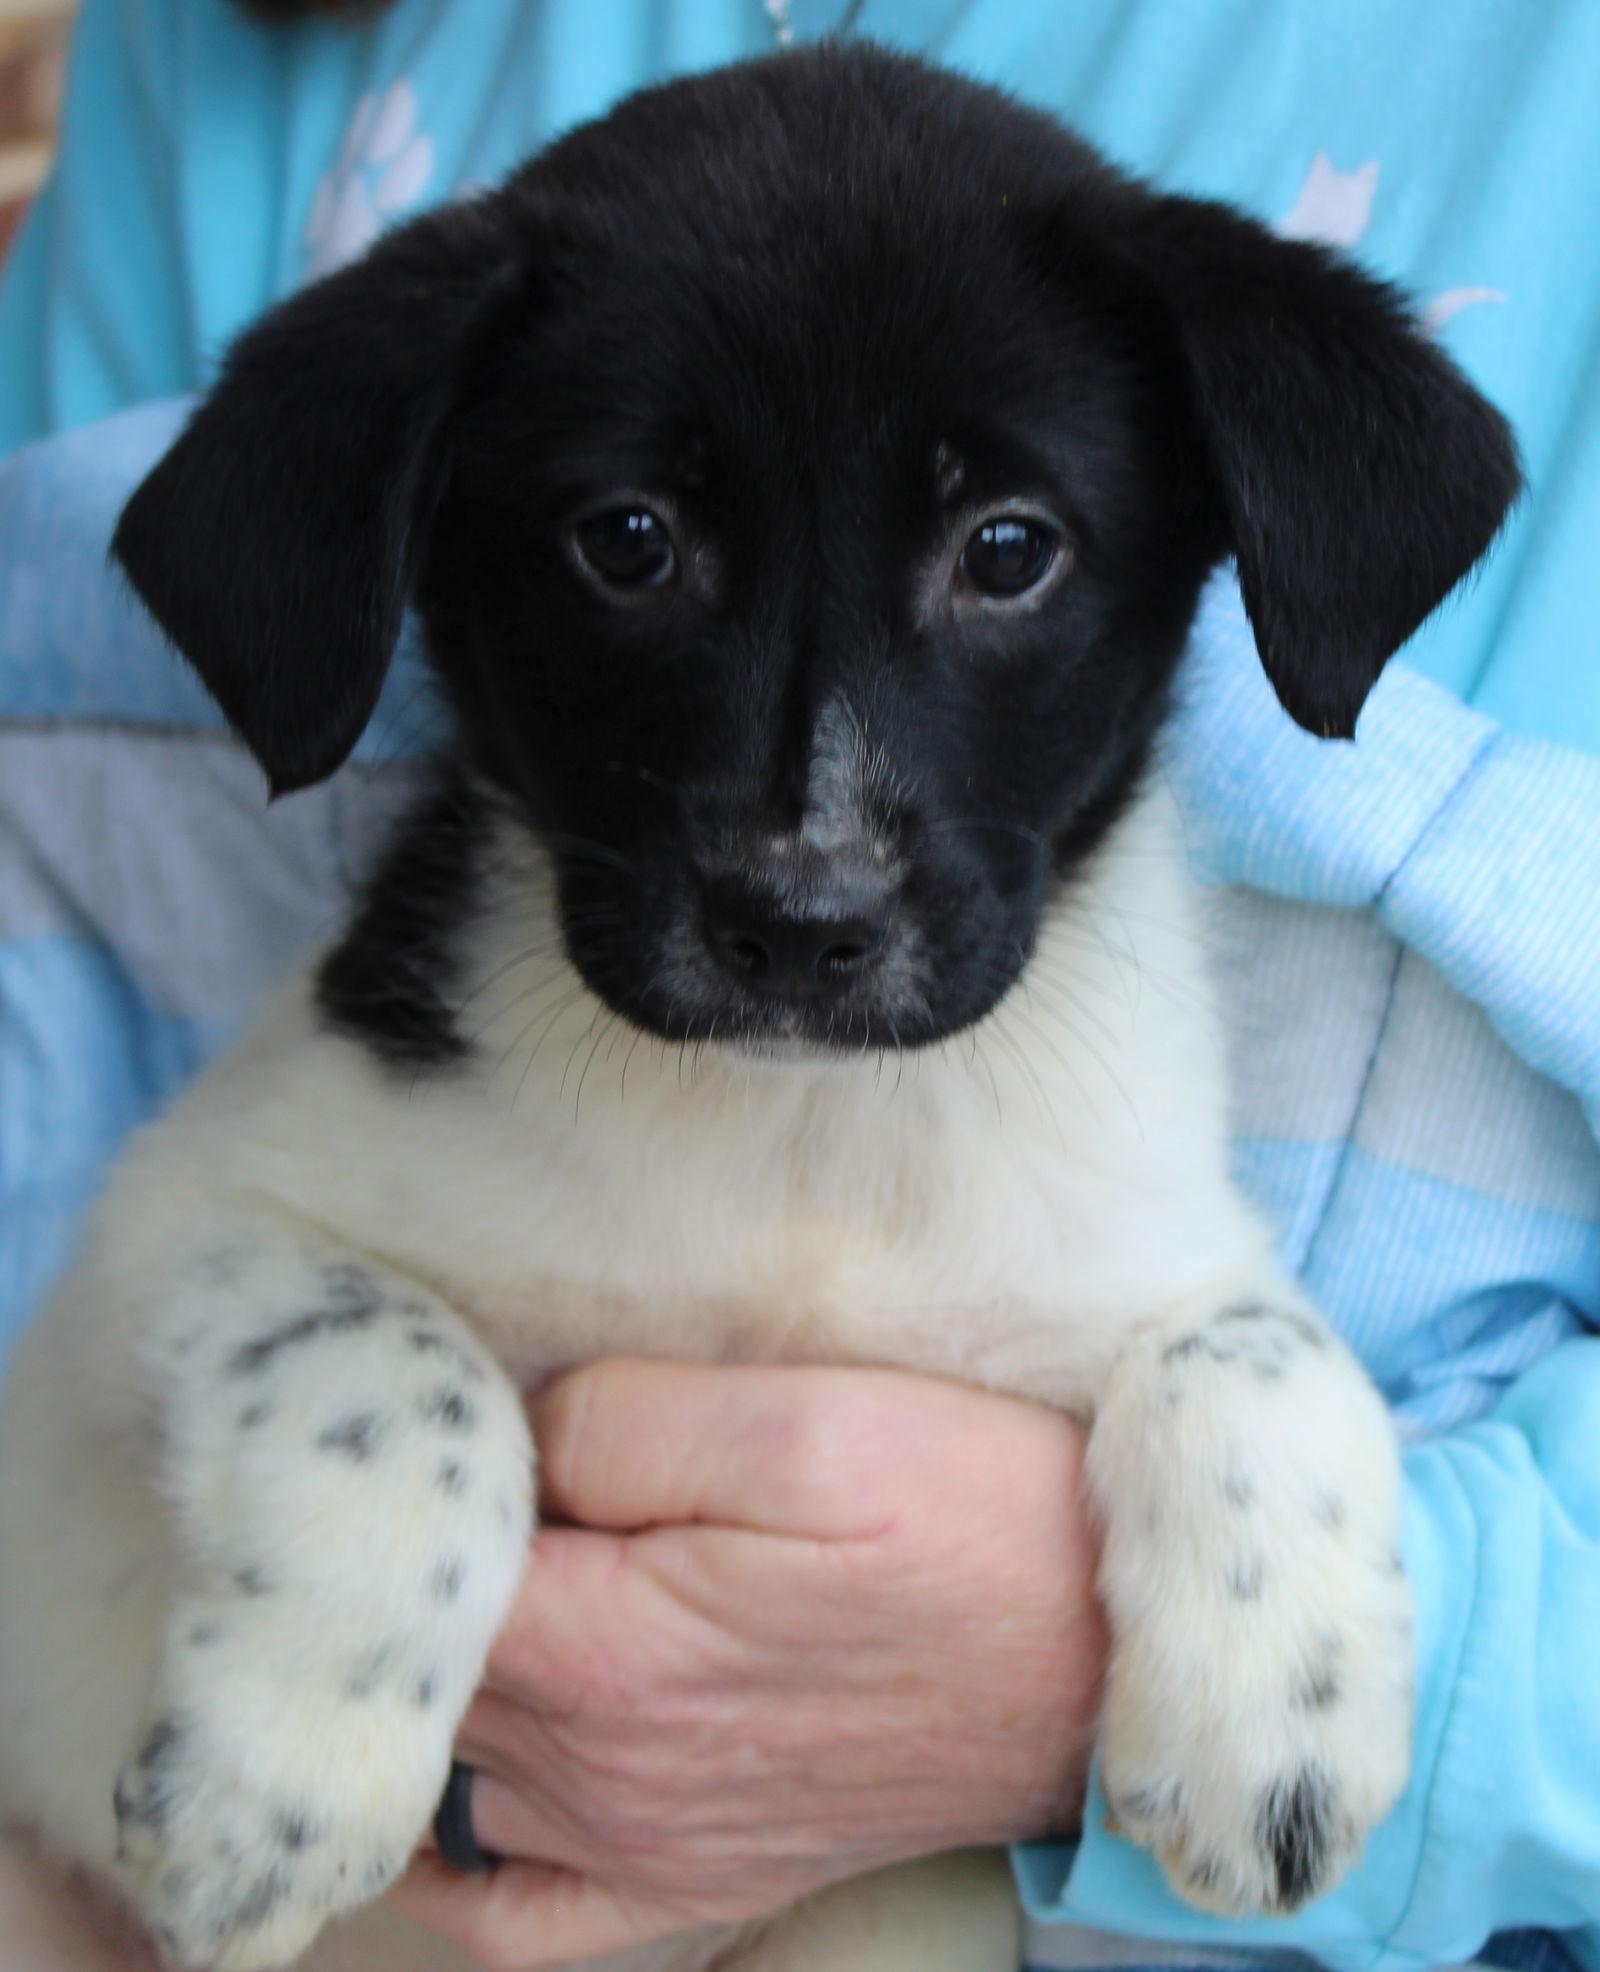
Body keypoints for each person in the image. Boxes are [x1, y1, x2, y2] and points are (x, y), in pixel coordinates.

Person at [0, 2, 1597, 1970]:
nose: (808, 849)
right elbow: (166, 1246)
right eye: (632, 542)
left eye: (1001, 550)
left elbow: (1183, 1309)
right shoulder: (230, 67)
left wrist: (1194, 1601)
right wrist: (371, 1508)